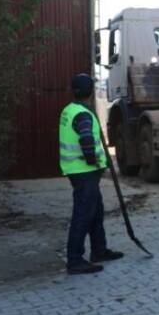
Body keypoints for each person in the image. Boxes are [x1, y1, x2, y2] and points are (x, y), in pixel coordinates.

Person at [59, 73, 123, 274]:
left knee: (95, 211)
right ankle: (75, 259)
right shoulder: (83, 114)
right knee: (83, 214)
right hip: (84, 172)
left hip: (79, 172)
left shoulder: (69, 110)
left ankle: (99, 250)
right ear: (90, 92)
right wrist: (94, 161)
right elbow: (86, 140)